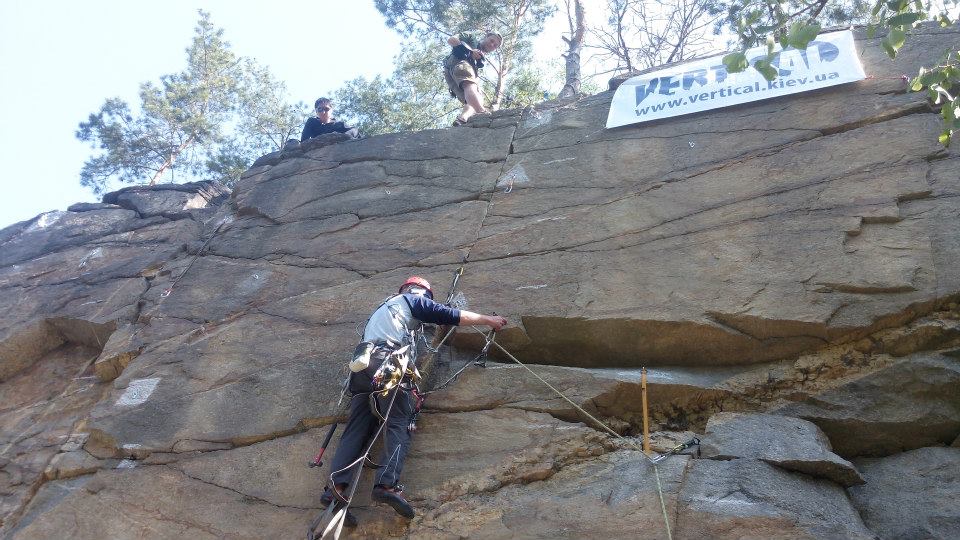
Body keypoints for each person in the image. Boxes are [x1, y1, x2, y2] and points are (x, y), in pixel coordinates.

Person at [321, 276, 507, 524]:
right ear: (420, 292)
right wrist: (488, 320)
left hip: (362, 371)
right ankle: (387, 485)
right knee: (400, 420)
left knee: (356, 430)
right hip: (387, 362)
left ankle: (336, 489)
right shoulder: (411, 300)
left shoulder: (382, 310)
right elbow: (449, 315)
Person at [443, 32, 503, 126]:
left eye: (495, 45)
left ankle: (462, 119)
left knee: (476, 98)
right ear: (486, 37)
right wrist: (471, 51)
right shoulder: (471, 37)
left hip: (451, 74)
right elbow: (451, 40)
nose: (492, 45)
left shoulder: (481, 57)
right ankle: (482, 113)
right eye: (491, 40)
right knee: (470, 86)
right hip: (460, 64)